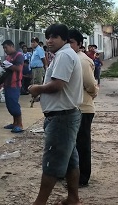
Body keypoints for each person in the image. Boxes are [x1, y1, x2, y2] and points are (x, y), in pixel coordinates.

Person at [28, 24, 83, 205]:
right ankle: (73, 199)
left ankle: (40, 202)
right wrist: (41, 93)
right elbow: (60, 87)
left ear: (64, 39)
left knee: (52, 162)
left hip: (62, 118)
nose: (50, 40)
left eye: (55, 37)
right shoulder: (64, 55)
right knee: (70, 161)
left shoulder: (64, 56)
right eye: (48, 37)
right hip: (65, 115)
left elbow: (57, 85)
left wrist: (37, 88)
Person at [69, 29, 98, 187]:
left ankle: (82, 177)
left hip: (83, 108)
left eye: (72, 42)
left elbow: (90, 85)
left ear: (80, 44)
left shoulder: (82, 60)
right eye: (66, 41)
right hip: (72, 108)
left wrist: (94, 93)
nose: (68, 45)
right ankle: (72, 175)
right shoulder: (68, 58)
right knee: (71, 144)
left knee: (82, 145)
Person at [0, 40, 24, 133]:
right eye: (4, 48)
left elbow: (18, 68)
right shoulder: (8, 57)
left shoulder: (19, 55)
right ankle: (14, 123)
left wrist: (7, 65)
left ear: (12, 46)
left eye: (6, 47)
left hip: (15, 84)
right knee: (9, 104)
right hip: (7, 83)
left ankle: (19, 124)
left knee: (14, 104)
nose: (5, 50)